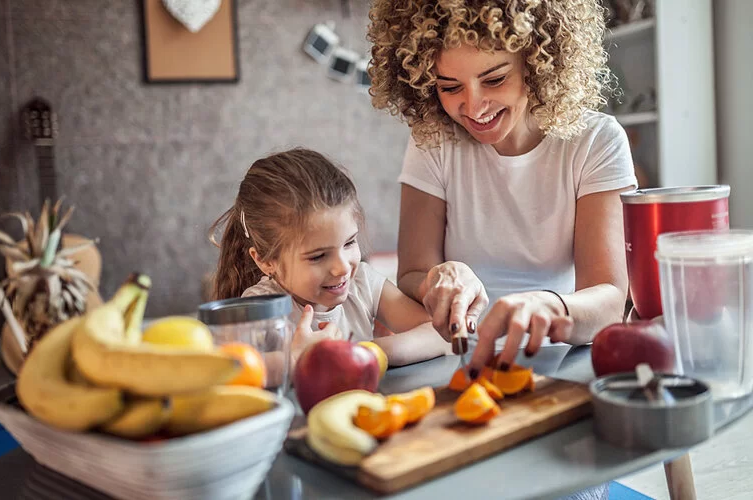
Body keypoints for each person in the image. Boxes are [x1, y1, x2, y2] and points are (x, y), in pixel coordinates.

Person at [367, 0, 638, 377]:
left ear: (538, 63)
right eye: (450, 87)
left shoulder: (596, 141)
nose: (473, 106)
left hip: (556, 359)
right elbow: (412, 272)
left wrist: (549, 306)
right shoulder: (433, 140)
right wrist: (439, 277)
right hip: (454, 360)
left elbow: (609, 298)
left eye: (494, 79)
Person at [210, 148, 451, 376]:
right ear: (265, 261)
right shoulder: (260, 307)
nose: (343, 267)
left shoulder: (362, 283)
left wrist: (361, 353)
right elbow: (227, 370)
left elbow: (439, 335)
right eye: (318, 256)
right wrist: (297, 359)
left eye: (349, 243)